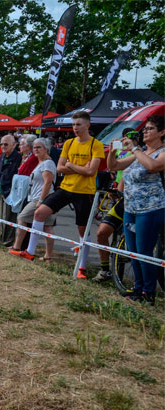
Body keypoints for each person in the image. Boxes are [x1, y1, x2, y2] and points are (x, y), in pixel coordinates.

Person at [10, 111, 105, 280]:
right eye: (74, 125)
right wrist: (79, 167)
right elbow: (60, 168)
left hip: (84, 192)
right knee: (39, 213)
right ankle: (30, 252)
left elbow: (91, 172)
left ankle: (82, 266)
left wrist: (71, 164)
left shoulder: (95, 144)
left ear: (87, 125)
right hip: (66, 188)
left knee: (82, 229)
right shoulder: (68, 143)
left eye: (79, 124)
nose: (75, 128)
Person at [107, 115, 165, 304]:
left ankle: (149, 292)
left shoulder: (160, 152)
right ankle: (137, 289)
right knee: (132, 251)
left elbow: (153, 166)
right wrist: (112, 151)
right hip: (130, 208)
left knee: (144, 251)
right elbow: (115, 166)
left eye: (150, 129)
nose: (145, 132)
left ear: (162, 132)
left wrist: (135, 148)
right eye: (145, 129)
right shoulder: (138, 153)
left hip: (151, 208)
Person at [92, 128, 134, 282]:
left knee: (132, 239)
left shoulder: (140, 153)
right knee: (101, 233)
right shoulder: (123, 152)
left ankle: (141, 286)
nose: (127, 140)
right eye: (125, 137)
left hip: (143, 202)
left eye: (132, 137)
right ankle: (105, 270)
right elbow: (117, 170)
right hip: (122, 195)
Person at [9, 138, 57, 261]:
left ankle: (17, 247)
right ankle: (48, 256)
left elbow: (48, 183)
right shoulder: (40, 163)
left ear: (46, 149)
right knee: (47, 227)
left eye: (39, 147)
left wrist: (40, 200)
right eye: (35, 147)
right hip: (39, 198)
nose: (36, 149)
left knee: (22, 218)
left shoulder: (47, 163)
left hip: (42, 198)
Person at [0, 134, 22, 246]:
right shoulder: (2, 156)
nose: (3, 146)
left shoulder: (18, 157)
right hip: (0, 190)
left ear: (14, 145)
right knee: (1, 216)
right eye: (1, 144)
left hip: (10, 192)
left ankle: (8, 240)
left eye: (6, 144)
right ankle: (2, 237)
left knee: (9, 217)